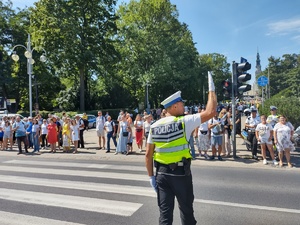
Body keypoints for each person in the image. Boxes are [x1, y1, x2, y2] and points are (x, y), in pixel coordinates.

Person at [145, 71, 217, 225]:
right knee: (186, 213)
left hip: (161, 175)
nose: (184, 106)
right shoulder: (184, 122)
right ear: (175, 106)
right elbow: (211, 112)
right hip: (180, 174)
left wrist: (151, 177)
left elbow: (148, 155)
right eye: (182, 103)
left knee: (165, 216)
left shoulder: (154, 125)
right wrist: (212, 89)